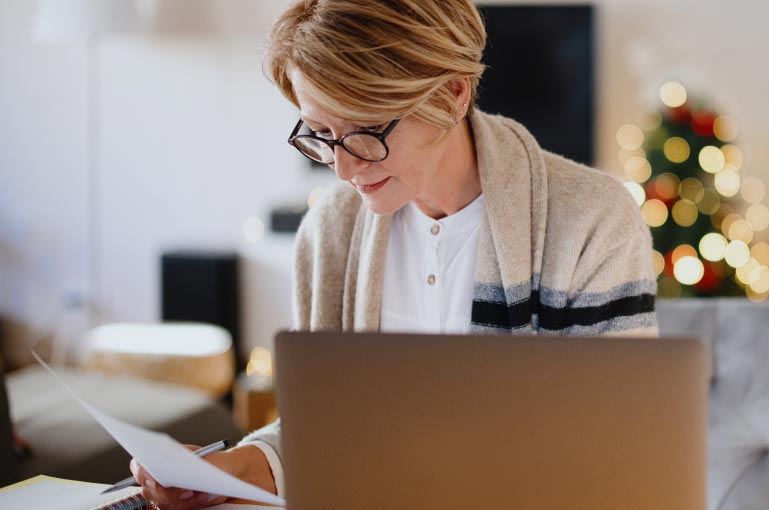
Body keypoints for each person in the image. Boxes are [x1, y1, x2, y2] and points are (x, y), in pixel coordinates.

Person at [129, 0, 657, 507]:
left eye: (364, 131)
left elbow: (615, 452)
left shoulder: (592, 220)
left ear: (453, 94)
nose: (342, 167)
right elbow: (324, 430)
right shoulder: (330, 230)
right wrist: (229, 473)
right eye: (321, 134)